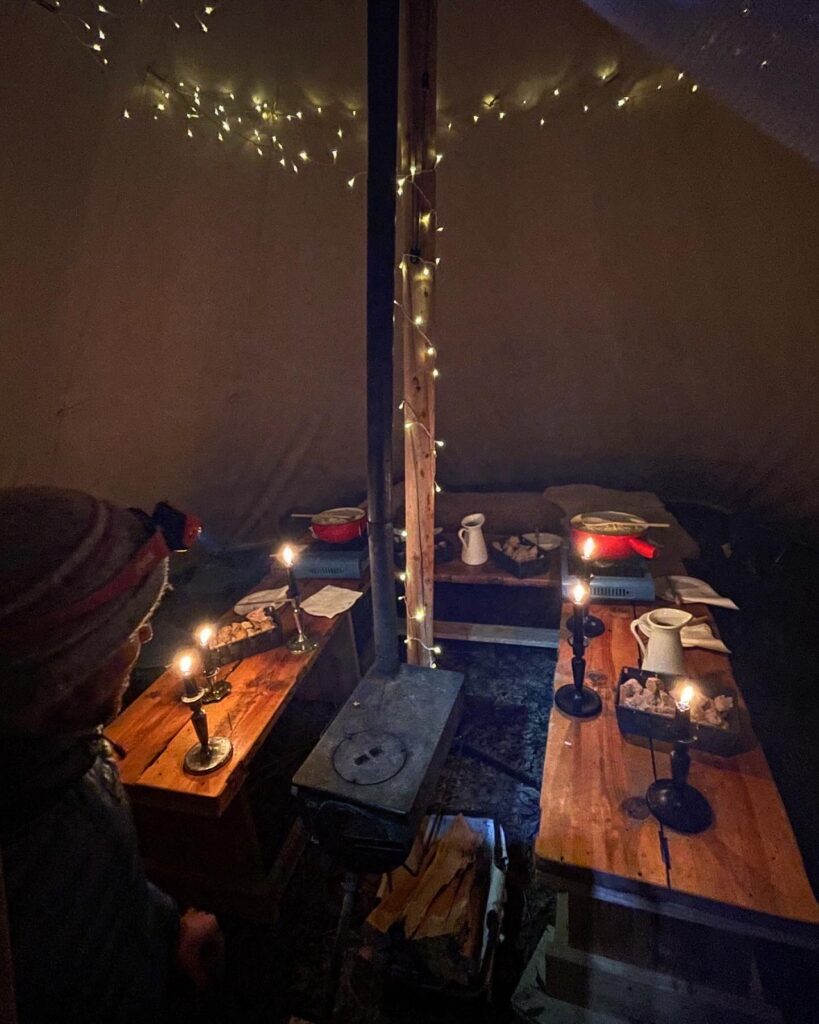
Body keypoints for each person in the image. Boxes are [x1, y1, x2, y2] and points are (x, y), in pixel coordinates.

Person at [0, 487, 223, 1023]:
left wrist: (168, 930)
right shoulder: (27, 856)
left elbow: (112, 892)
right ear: (62, 671)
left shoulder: (70, 755)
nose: (146, 634)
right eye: (126, 630)